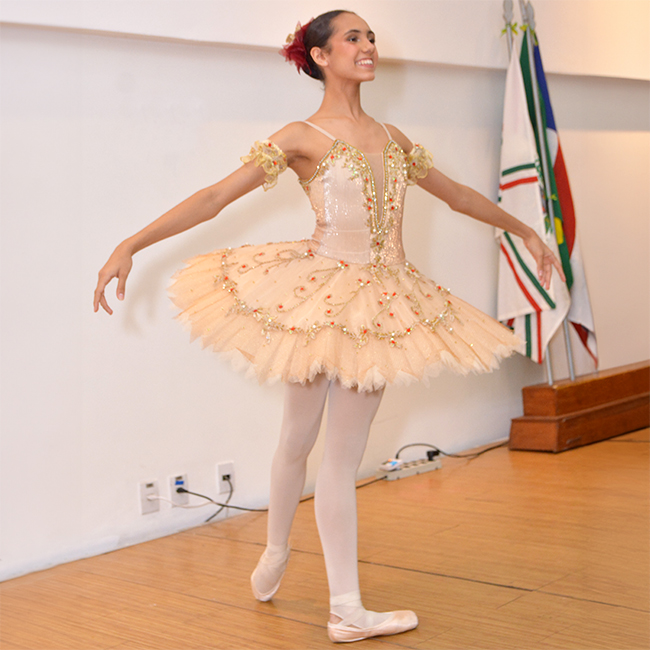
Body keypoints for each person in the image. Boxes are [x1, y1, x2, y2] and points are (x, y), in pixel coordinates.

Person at [94, 10, 565, 643]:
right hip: (318, 294)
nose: (368, 46)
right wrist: (131, 242)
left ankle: (346, 608)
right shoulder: (302, 136)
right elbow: (214, 197)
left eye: (371, 37)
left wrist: (526, 230)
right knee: (296, 438)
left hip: (382, 306)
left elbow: (456, 195)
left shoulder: (392, 137)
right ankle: (277, 549)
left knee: (340, 458)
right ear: (320, 56)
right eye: (353, 38)